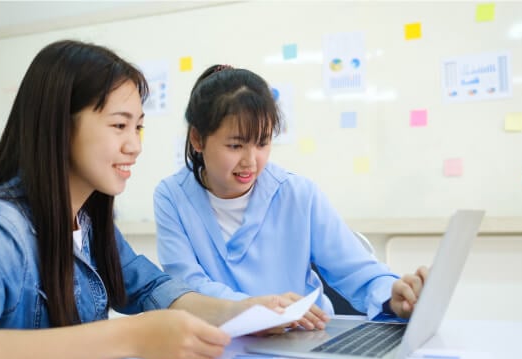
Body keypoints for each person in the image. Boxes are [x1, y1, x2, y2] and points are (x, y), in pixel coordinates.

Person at [0, 42, 288, 359]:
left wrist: (238, 312)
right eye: (119, 125)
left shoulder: (89, 224)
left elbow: (150, 288)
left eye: (138, 127)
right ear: (60, 127)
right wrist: (129, 336)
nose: (135, 146)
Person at [153, 65, 428, 329]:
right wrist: (253, 309)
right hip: (219, 343)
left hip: (302, 338)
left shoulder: (298, 194)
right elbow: (187, 288)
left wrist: (392, 295)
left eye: (262, 143)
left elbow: (357, 271)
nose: (251, 161)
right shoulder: (172, 198)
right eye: (235, 145)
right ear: (197, 139)